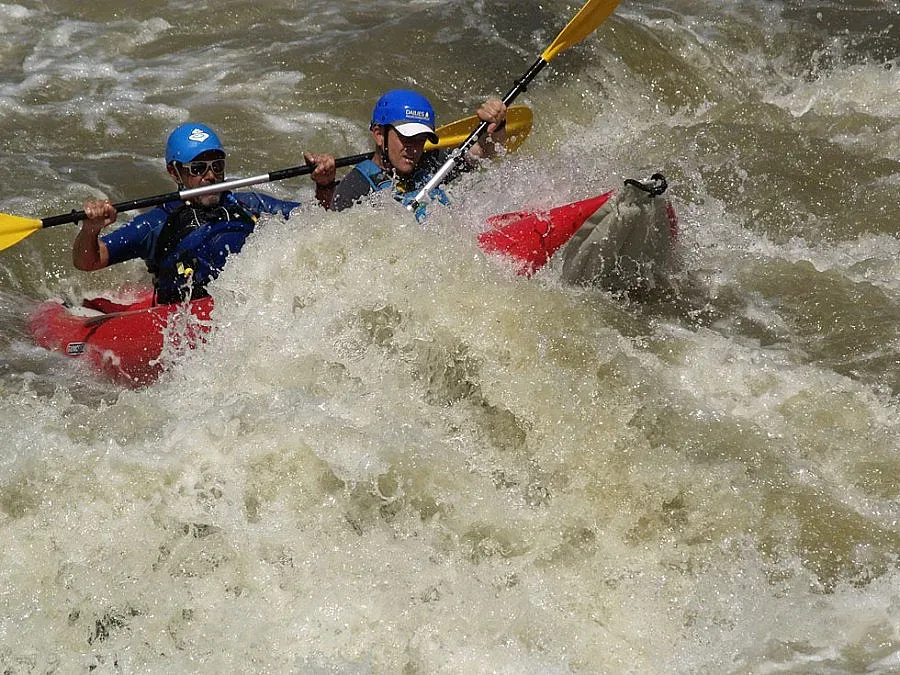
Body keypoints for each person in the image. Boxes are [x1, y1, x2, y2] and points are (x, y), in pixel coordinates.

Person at [73, 123, 336, 304]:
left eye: (217, 166)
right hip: (184, 316)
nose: (210, 176)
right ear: (174, 172)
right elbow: (89, 262)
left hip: (250, 306)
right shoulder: (157, 223)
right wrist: (91, 228)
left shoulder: (250, 205)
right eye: (198, 168)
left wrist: (324, 184)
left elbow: (318, 219)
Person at [330, 89, 507, 220]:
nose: (414, 149)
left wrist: (496, 125)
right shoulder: (354, 188)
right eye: (406, 138)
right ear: (379, 135)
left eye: (420, 139)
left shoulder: (432, 162)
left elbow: (483, 153)